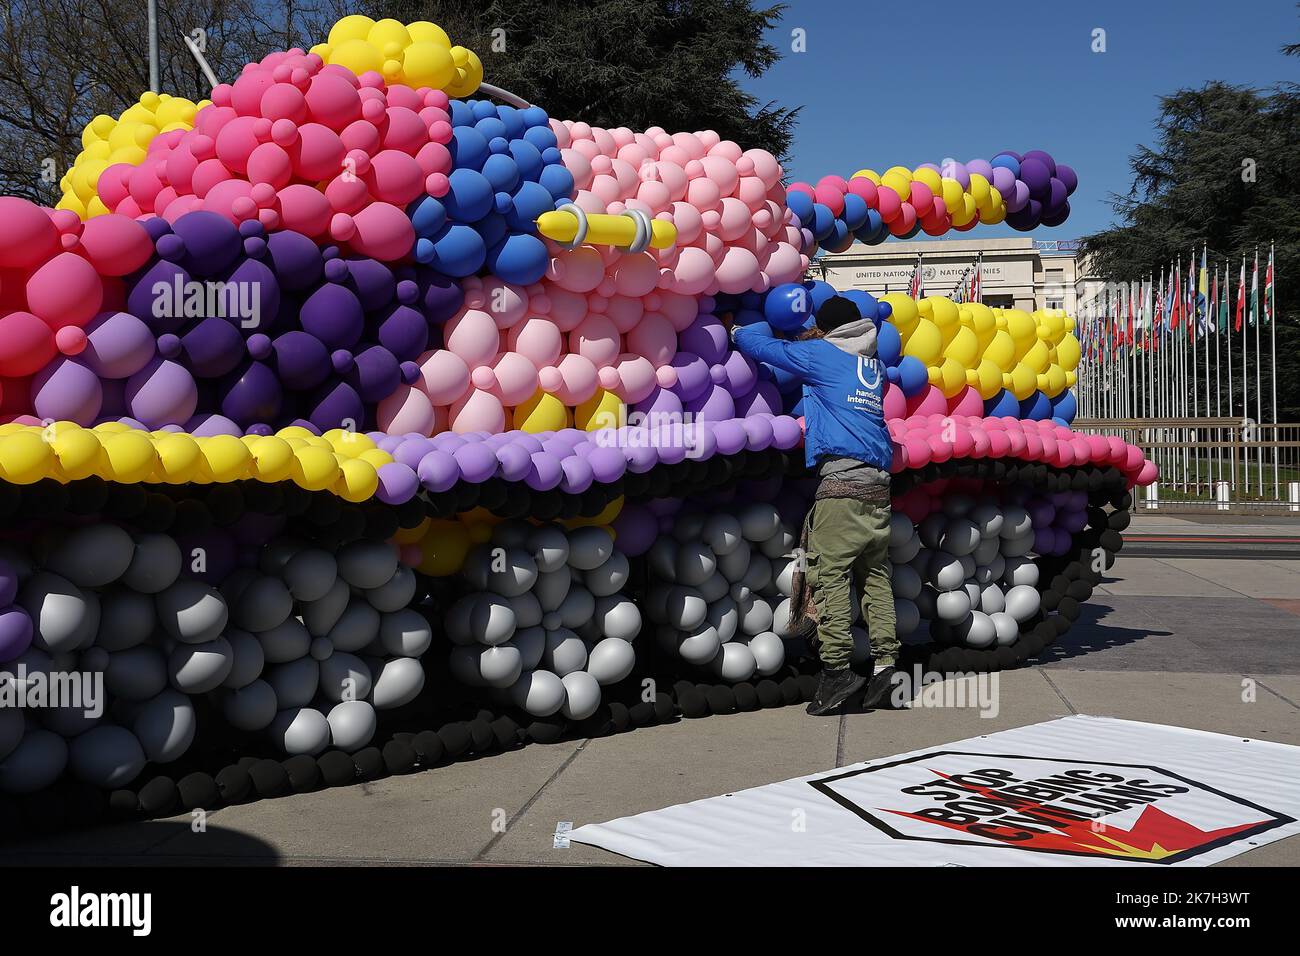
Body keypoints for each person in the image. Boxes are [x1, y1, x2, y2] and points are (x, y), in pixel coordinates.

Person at [732, 295, 898, 716]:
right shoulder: (873, 366)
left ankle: (837, 669)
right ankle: (885, 666)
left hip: (841, 483)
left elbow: (768, 350)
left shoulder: (823, 355)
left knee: (831, 576)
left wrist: (735, 331)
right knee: (875, 576)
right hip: (878, 485)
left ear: (826, 330)